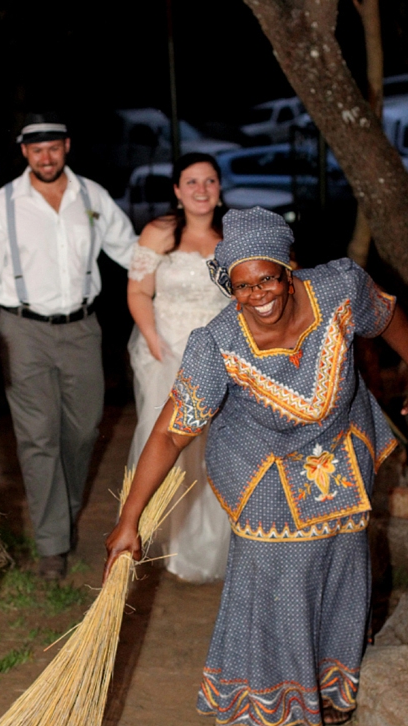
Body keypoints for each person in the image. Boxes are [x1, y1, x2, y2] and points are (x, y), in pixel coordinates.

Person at [105, 206, 408, 726]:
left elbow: (388, 318)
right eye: (242, 287)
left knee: (343, 560)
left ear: (289, 269)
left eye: (267, 279)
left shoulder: (340, 287)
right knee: (274, 575)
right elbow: (172, 433)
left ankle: (332, 682)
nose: (257, 296)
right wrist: (129, 518)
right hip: (262, 463)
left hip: (339, 450)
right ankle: (272, 700)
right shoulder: (217, 343)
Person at [0, 113, 137, 580]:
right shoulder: (1, 205)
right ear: (24, 152)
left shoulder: (92, 198)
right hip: (23, 332)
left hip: (83, 328)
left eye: (54, 147)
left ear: (66, 146)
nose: (46, 157)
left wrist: (183, 263)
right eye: (36, 149)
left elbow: (131, 251)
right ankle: (52, 547)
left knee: (81, 433)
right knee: (39, 438)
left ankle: (63, 514)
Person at [127, 153, 231, 582]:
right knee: (171, 445)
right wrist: (155, 342)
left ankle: (219, 544)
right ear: (176, 190)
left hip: (225, 355)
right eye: (192, 182)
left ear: (220, 187)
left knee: (219, 451)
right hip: (169, 352)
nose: (201, 190)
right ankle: (171, 541)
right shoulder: (158, 232)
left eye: (209, 181)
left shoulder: (234, 236)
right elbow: (137, 293)